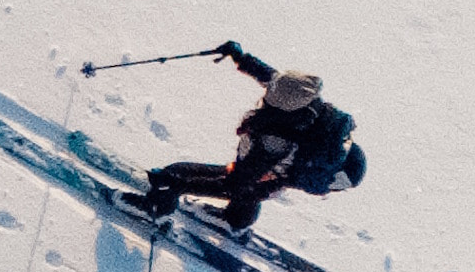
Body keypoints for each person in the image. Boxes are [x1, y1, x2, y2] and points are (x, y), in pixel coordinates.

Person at [133, 44, 359, 234]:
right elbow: (273, 79)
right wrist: (240, 57)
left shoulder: (275, 140)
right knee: (239, 187)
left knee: (184, 175)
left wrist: (176, 185)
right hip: (273, 172)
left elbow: (234, 184)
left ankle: (156, 208)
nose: (267, 93)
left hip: (263, 177)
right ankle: (237, 220)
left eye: (271, 95)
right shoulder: (305, 104)